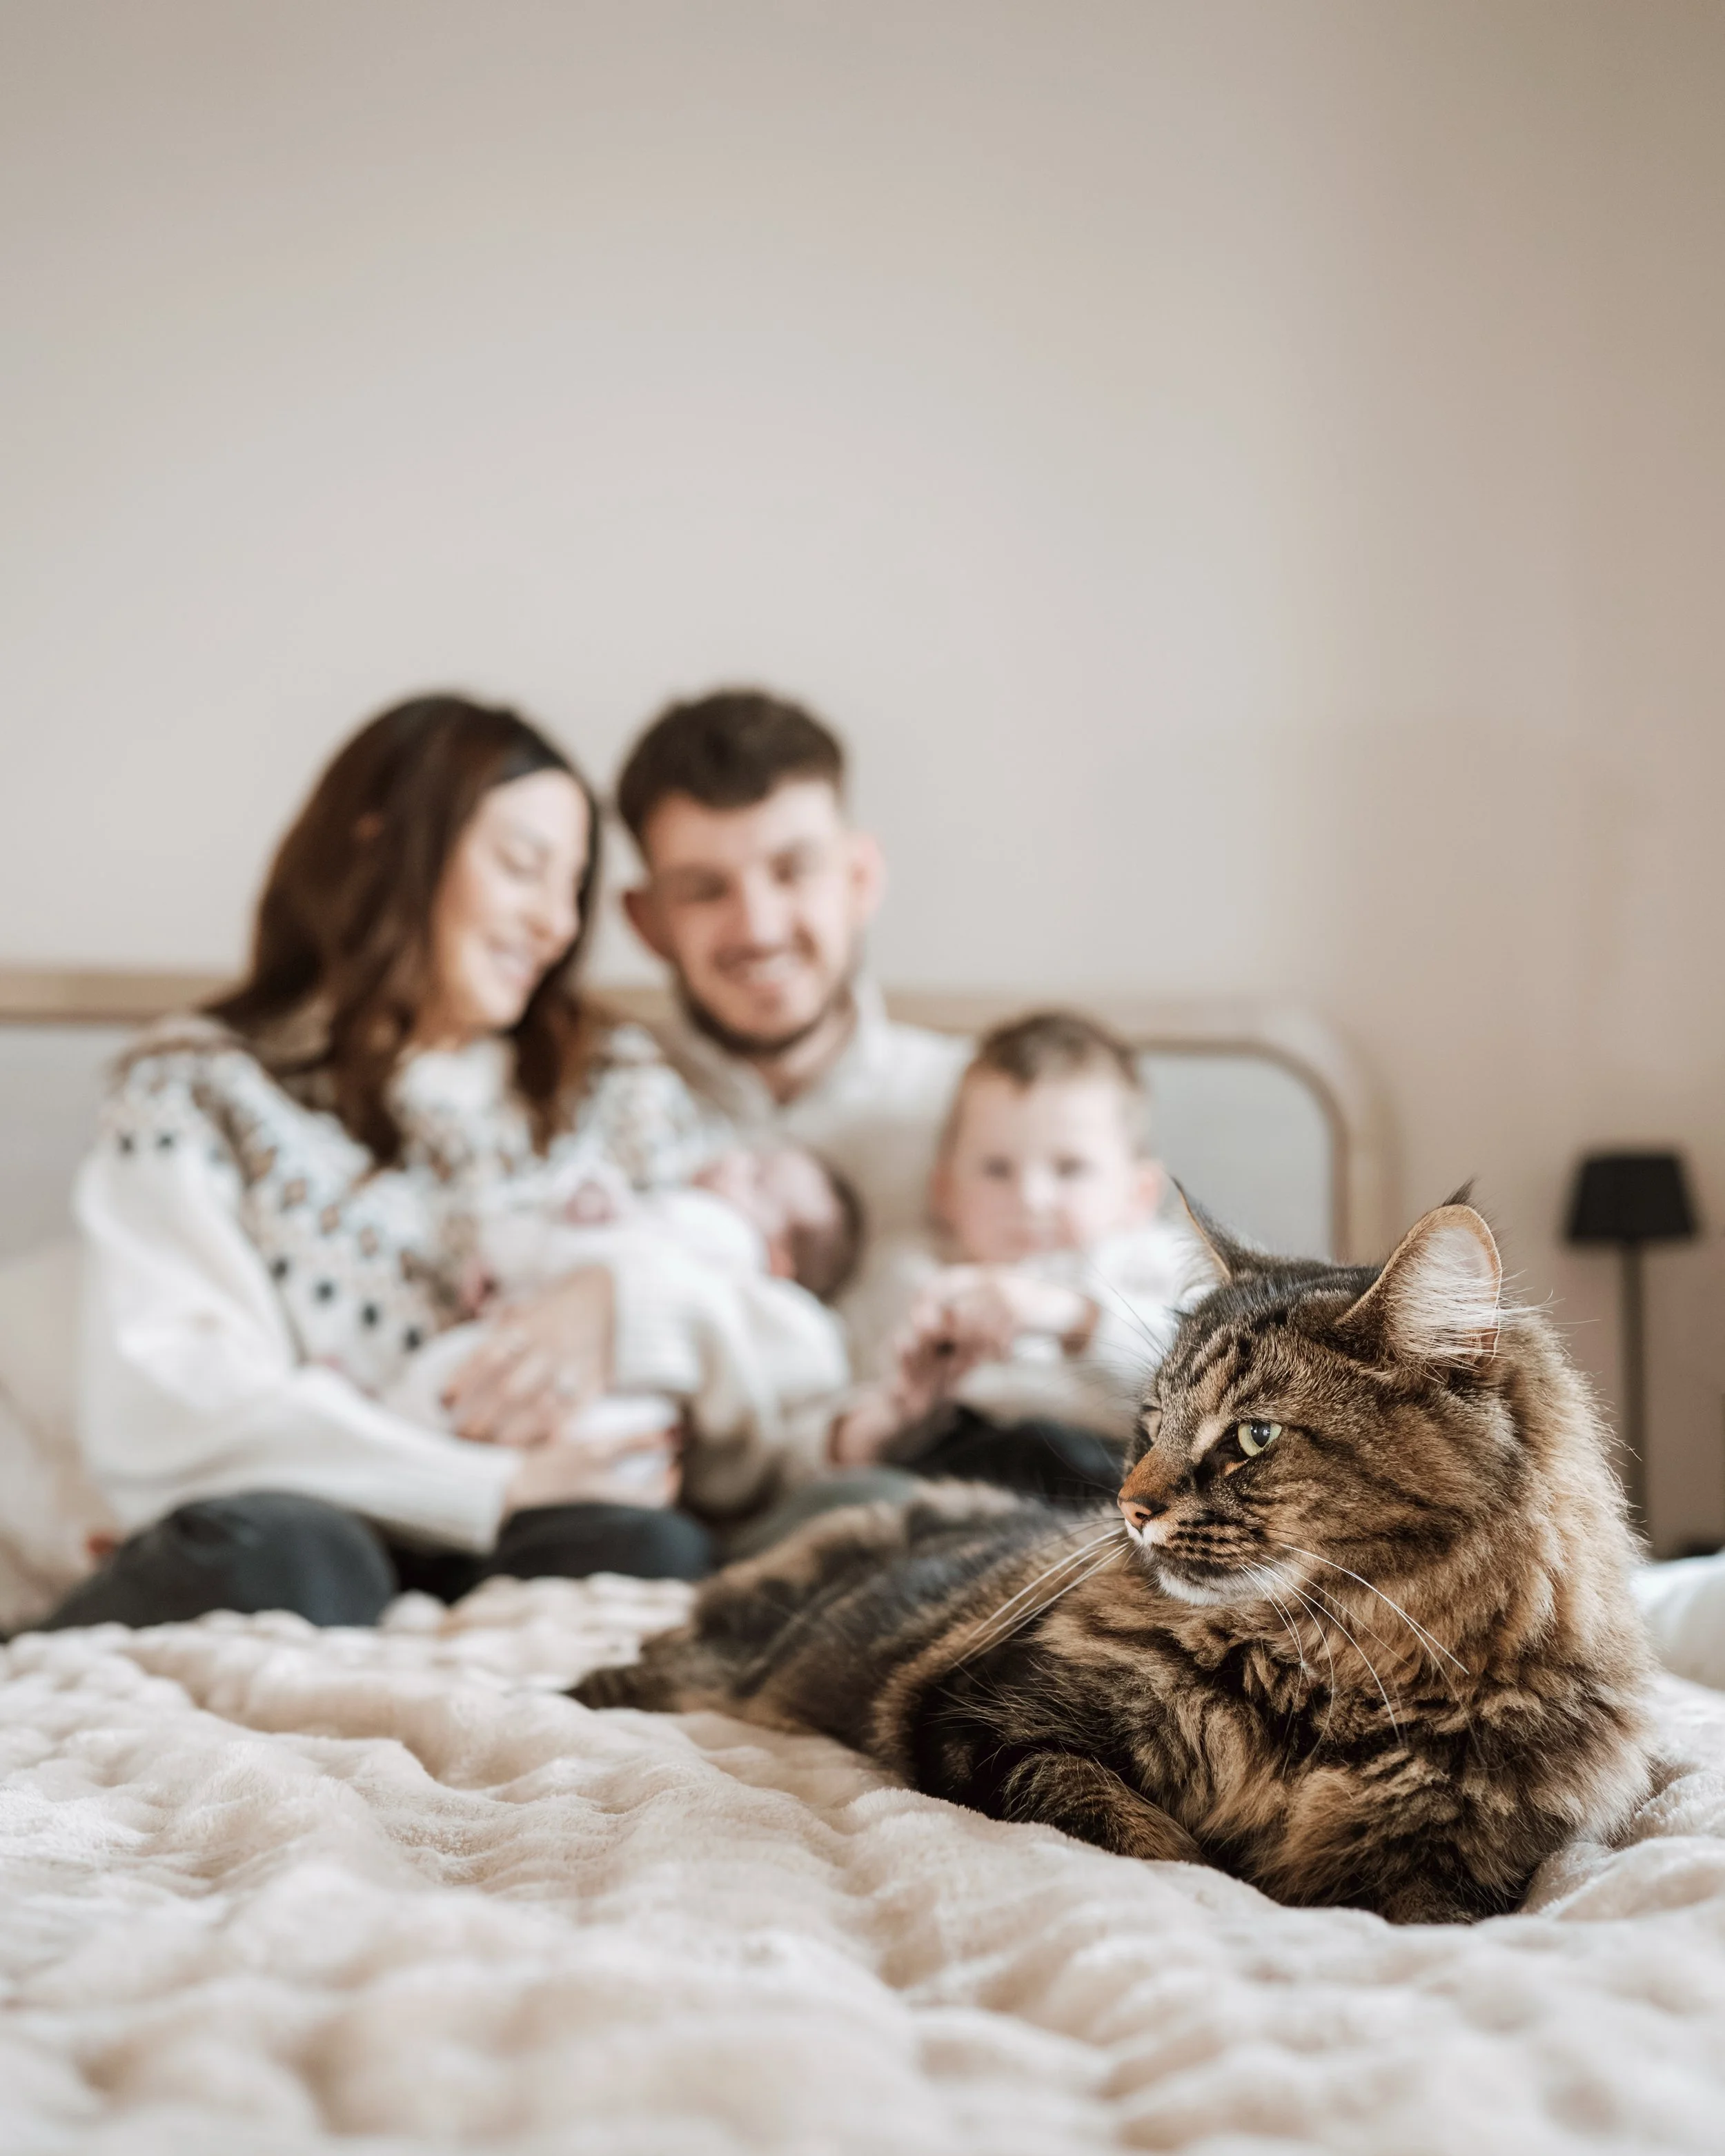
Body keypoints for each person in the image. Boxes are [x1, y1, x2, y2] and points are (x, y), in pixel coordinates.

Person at [39, 693, 837, 1632]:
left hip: (528, 1538)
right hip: (311, 1538)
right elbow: (170, 1414)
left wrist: (627, 1307)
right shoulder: (199, 1090)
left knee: (645, 1549)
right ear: (385, 847)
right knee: (291, 1553)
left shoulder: (611, 1086)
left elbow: (803, 1355)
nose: (554, 923)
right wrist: (489, 1483)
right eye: (521, 868)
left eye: (570, 889)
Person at [615, 688, 970, 1248]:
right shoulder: (587, 1119)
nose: (759, 929)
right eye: (704, 890)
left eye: (794, 870)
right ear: (646, 922)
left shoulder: (978, 1110)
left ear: (861, 878)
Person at [828, 1011, 1196, 1505]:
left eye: (1070, 1168)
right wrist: (899, 1410)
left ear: (1139, 1192)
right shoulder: (913, 1277)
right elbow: (839, 1446)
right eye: (996, 1169)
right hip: (945, 1482)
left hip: (1108, 1477)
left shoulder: (1155, 1260)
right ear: (944, 1191)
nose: (1032, 1197)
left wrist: (1074, 1317)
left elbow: (1205, 1387)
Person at [384, 1139, 858, 1521]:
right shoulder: (669, 1208)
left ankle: (400, 1427)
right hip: (577, 1425)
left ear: (778, 1260)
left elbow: (586, 1242)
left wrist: (556, 1233)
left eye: (758, 1181)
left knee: (441, 1386)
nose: (734, 1160)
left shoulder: (719, 1232)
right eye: (751, 1157)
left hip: (598, 1418)